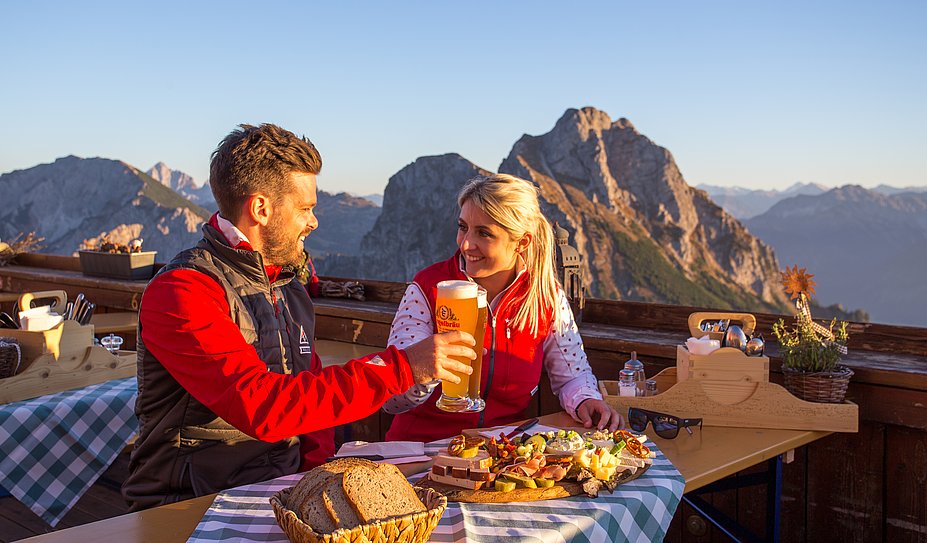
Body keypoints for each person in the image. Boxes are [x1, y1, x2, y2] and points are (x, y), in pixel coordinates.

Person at [123, 124, 475, 510]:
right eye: (305, 208)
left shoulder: (288, 285)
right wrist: (402, 367)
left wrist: (312, 486)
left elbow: (309, 395)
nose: (314, 222)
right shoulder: (183, 292)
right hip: (192, 505)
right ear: (261, 208)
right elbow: (262, 407)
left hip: (278, 494)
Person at [384, 173, 621, 442]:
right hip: (421, 451)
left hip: (500, 453)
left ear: (522, 242)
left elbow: (572, 377)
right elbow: (391, 401)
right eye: (463, 227)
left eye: (484, 233)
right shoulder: (427, 288)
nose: (465, 244)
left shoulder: (546, 295)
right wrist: (424, 371)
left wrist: (586, 401)